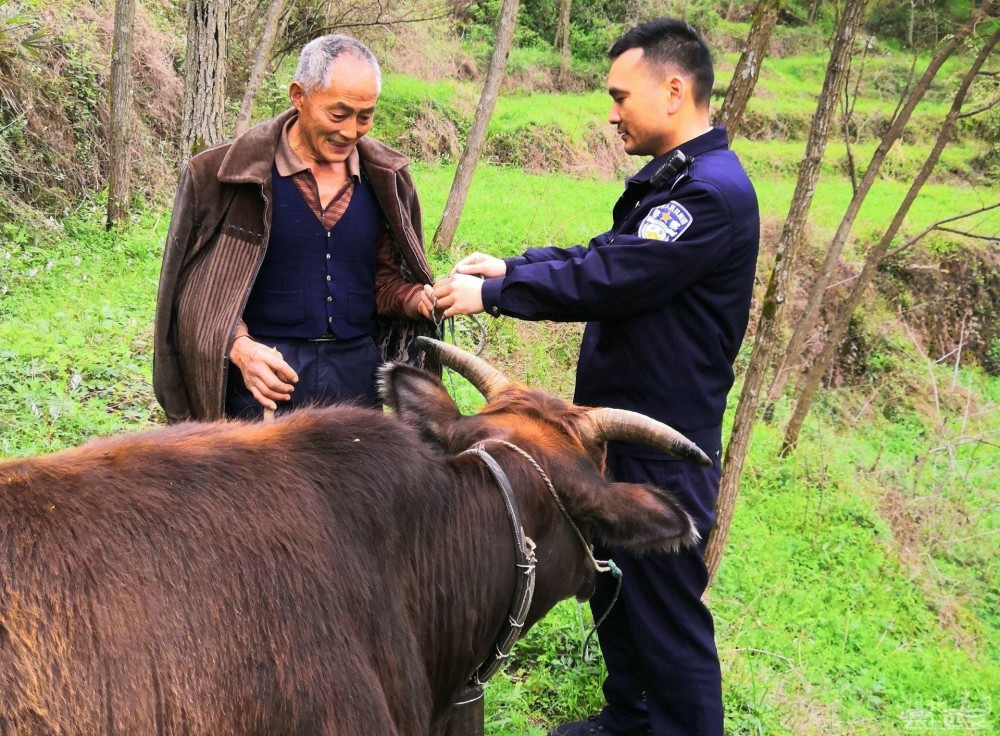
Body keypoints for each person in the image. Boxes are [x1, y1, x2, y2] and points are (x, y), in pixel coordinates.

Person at [432, 18, 759, 736]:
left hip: (662, 445)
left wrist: (494, 295)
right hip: (624, 432)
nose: (612, 113)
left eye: (621, 96)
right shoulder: (681, 179)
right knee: (620, 592)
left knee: (667, 614)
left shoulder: (710, 194)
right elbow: (609, 250)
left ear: (674, 91)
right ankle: (629, 718)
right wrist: (513, 269)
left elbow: (614, 275)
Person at [154, 34, 436, 423]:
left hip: (355, 384)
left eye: (365, 115)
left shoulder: (389, 180)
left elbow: (384, 284)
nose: (352, 130)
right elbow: (190, 292)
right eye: (338, 114)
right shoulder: (219, 177)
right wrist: (240, 347)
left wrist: (419, 300)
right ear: (298, 95)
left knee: (357, 486)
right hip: (262, 384)